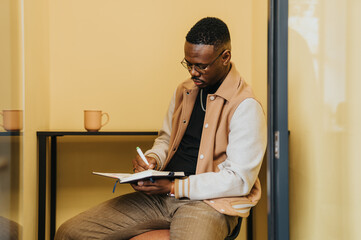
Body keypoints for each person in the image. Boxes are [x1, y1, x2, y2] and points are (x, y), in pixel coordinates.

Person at [55, 17, 267, 240]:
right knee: (69, 233)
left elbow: (239, 179)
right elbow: (166, 139)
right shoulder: (185, 90)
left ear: (225, 57)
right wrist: (152, 159)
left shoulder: (245, 106)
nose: (193, 72)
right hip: (161, 197)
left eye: (201, 66)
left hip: (209, 203)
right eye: (188, 64)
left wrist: (174, 187)